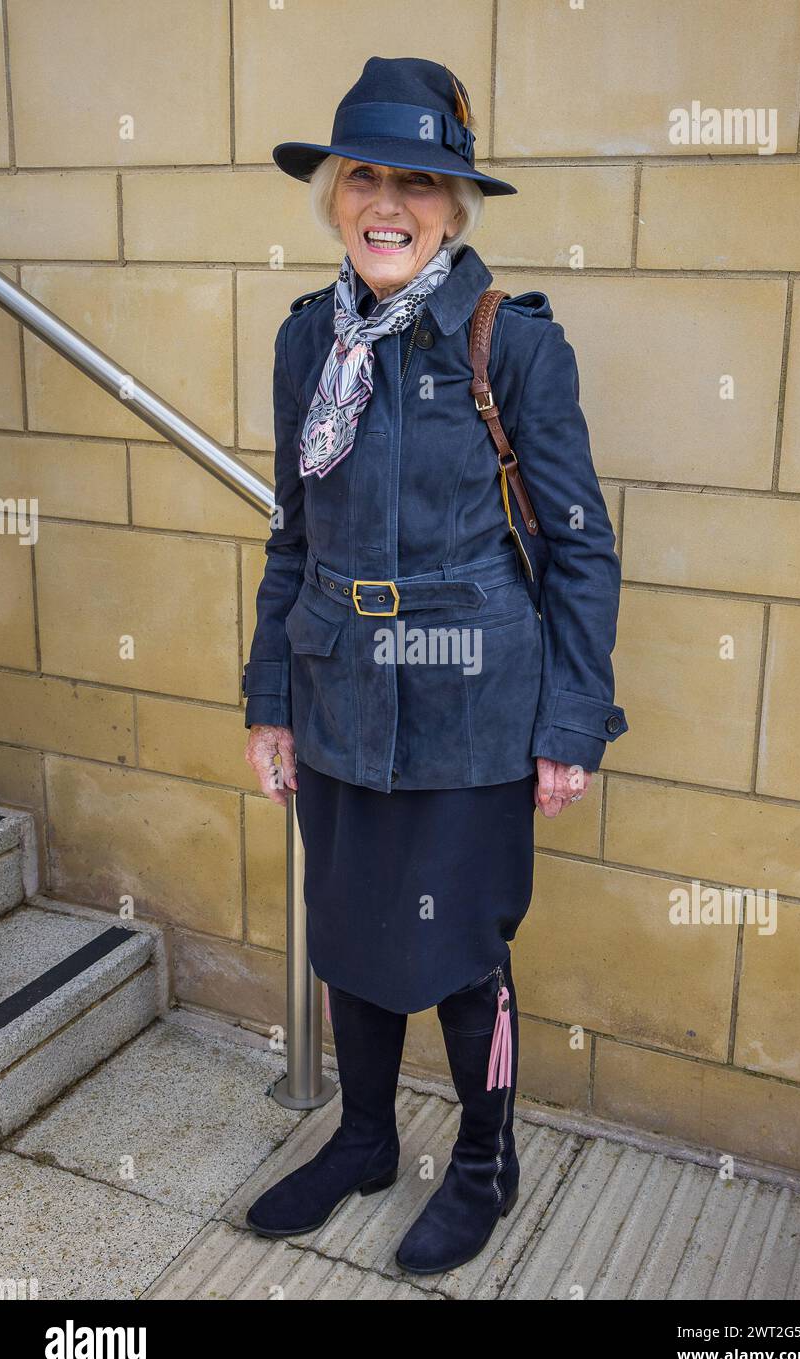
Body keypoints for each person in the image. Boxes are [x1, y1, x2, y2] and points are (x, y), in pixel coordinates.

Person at [241, 56, 628, 1276]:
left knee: (463, 947)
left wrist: (570, 719)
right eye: (366, 175)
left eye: (418, 178)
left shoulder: (510, 342)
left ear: (455, 207)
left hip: (474, 701)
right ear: (337, 196)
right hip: (336, 685)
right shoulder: (310, 343)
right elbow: (291, 538)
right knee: (350, 934)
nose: (388, 199)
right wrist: (269, 699)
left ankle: (482, 1161)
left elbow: (579, 547)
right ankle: (363, 1137)